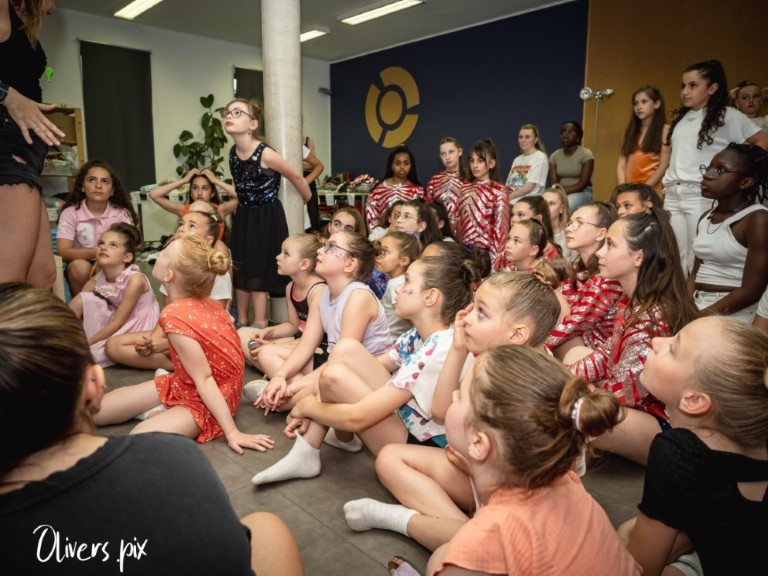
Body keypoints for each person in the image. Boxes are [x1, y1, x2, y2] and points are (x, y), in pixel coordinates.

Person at [0, 282, 305, 576]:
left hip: (199, 392)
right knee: (269, 528)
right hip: (186, 391)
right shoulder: (171, 456)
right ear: (95, 382)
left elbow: (205, 375)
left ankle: (159, 409)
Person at [345, 273, 562, 552]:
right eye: (473, 305)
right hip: (479, 471)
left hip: (515, 492)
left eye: (481, 313)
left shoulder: (529, 385)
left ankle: (466, 537)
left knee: (475, 548)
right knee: (389, 458)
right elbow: (440, 410)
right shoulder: (485, 356)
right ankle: (462, 527)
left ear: (517, 334)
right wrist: (458, 351)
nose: (466, 317)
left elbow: (523, 473)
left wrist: (472, 467)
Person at [251, 252, 478, 487]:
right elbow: (361, 364)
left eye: (408, 282)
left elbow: (358, 417)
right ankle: (311, 445)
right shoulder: (419, 335)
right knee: (345, 350)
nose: (398, 288)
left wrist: (308, 407)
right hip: (406, 421)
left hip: (421, 444)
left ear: (430, 297)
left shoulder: (440, 347)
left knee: (334, 376)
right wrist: (303, 393)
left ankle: (307, 449)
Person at [424, 346, 640, 576]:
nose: (453, 396)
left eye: (459, 395)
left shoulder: (487, 537)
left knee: (439, 560)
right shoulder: (568, 481)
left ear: (478, 443)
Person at [94, 235, 274, 455]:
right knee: (97, 412)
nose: (158, 255)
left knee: (139, 440)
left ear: (168, 275)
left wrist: (232, 432)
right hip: (185, 382)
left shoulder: (175, 314)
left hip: (212, 397)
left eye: (163, 254)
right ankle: (161, 411)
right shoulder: (205, 302)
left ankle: (159, 414)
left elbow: (205, 379)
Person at [619, 317, 768, 576]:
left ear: (694, 400)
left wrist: (622, 537)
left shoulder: (678, 452)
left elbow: (641, 570)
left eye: (673, 348)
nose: (656, 341)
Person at [564, 208, 699, 464]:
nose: (600, 252)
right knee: (573, 360)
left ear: (638, 257)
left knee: (575, 410)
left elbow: (629, 392)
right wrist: (564, 375)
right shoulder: (634, 302)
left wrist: (579, 388)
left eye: (610, 245)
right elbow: (605, 355)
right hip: (635, 405)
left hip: (664, 423)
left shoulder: (651, 317)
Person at [251, 231, 391, 414]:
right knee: (266, 353)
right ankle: (294, 401)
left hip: (362, 375)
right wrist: (279, 377)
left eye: (331, 247)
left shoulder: (358, 297)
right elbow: (306, 346)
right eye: (325, 244)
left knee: (322, 381)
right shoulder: (325, 294)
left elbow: (343, 360)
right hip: (332, 362)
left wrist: (291, 387)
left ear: (349, 264)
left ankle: (284, 402)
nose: (320, 251)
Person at [662, 60, 768, 274]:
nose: (685, 91)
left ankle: (697, 293)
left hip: (700, 193)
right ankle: (680, 294)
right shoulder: (682, 118)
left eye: (693, 85)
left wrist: (739, 173)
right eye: (683, 86)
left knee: (697, 253)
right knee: (674, 255)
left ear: (712, 88)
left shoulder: (728, 115)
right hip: (673, 193)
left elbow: (762, 141)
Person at [222, 98, 312, 329]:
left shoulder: (266, 154)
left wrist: (307, 197)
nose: (229, 116)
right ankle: (242, 320)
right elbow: (241, 187)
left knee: (257, 268)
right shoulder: (233, 152)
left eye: (237, 112)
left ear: (252, 124)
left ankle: (260, 322)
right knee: (241, 267)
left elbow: (295, 176)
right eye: (227, 112)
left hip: (265, 216)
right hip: (244, 215)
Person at [104, 210, 232, 372]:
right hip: (177, 333)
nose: (182, 228)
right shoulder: (171, 266)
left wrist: (166, 344)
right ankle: (179, 366)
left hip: (206, 338)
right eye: (181, 224)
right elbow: (167, 316)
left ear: (208, 240)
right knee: (113, 345)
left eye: (192, 226)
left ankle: (186, 366)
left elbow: (213, 326)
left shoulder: (215, 272)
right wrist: (152, 341)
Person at [0, 0, 61, 289]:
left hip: (26, 156)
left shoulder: (19, 23)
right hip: (7, 149)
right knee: (9, 280)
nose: (53, 8)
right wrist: (7, 96)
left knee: (42, 275)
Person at [689, 142, 768, 322]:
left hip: (733, 312)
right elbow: (694, 275)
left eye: (721, 170)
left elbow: (751, 291)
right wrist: (683, 310)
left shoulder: (758, 219)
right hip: (698, 305)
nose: (707, 175)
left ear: (745, 182)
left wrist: (698, 318)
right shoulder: (706, 217)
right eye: (709, 167)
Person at [68, 223, 159, 367]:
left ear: (127, 257)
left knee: (90, 355)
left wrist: (86, 343)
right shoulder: (99, 278)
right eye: (101, 243)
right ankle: (61, 338)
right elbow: (82, 304)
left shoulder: (135, 280)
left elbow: (118, 322)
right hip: (117, 319)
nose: (104, 248)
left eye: (113, 245)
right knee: (81, 299)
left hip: (137, 324)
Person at [239, 233, 326, 378]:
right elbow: (293, 325)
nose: (278, 257)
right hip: (298, 342)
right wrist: (268, 332)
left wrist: (274, 347)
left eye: (286, 254)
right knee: (242, 335)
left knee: (265, 351)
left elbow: (311, 342)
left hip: (316, 349)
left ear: (304, 264)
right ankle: (277, 372)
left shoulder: (318, 292)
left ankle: (282, 378)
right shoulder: (290, 287)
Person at [546, 201, 622, 359]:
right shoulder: (580, 272)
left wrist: (529, 345)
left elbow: (572, 325)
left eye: (579, 223)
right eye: (570, 223)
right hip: (579, 346)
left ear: (601, 233)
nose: (568, 228)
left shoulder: (608, 277)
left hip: (602, 358)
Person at [56, 159, 138, 297]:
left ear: (112, 190)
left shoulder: (122, 213)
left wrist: (105, 260)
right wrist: (98, 253)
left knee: (117, 267)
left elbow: (130, 247)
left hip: (114, 259)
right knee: (78, 267)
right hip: (84, 260)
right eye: (92, 180)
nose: (98, 186)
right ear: (82, 186)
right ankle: (85, 307)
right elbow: (63, 251)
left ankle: (114, 307)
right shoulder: (70, 213)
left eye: (105, 181)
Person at [455, 138, 510, 269]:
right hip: (463, 252)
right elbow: (457, 221)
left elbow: (501, 229)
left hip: (486, 255)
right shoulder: (464, 188)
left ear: (491, 163)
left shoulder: (499, 190)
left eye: (480, 161)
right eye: (471, 160)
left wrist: (495, 261)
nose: (475, 165)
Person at [617, 86, 671, 193]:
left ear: (657, 104)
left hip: (650, 190)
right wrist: (623, 188)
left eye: (644, 102)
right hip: (628, 189)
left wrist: (643, 190)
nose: (639, 107)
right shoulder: (629, 132)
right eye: (636, 103)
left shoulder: (665, 130)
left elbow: (663, 166)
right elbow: (621, 165)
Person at [375, 231, 421, 343]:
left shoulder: (396, 285)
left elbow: (410, 318)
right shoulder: (400, 281)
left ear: (403, 261)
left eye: (385, 252)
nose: (378, 256)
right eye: (378, 251)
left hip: (390, 342)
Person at [366, 144, 424, 232]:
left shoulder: (418, 191)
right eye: (398, 163)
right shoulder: (377, 191)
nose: (402, 167)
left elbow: (421, 218)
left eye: (406, 163)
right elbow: (371, 221)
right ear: (392, 166)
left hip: (410, 237)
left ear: (411, 166)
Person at [149, 167, 237, 220]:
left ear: (212, 193)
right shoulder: (184, 210)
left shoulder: (220, 211)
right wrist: (184, 180)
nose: (199, 193)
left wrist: (215, 180)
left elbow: (242, 196)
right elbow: (154, 195)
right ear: (191, 193)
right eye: (195, 188)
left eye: (204, 188)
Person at [549, 121, 595, 211]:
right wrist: (558, 193)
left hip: (582, 192)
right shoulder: (554, 156)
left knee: (566, 206)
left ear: (578, 138)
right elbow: (554, 183)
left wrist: (562, 192)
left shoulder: (586, 154)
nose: (565, 135)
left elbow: (583, 184)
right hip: (560, 192)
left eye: (571, 132)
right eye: (563, 132)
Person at [425, 137, 466, 231]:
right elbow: (429, 211)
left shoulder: (470, 179)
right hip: (440, 234)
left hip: (465, 233)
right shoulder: (434, 181)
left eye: (451, 152)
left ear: (460, 152)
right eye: (443, 154)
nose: (447, 157)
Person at [505, 123, 548, 203]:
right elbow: (508, 186)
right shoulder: (517, 160)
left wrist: (506, 198)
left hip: (529, 202)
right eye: (520, 137)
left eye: (527, 137)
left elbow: (528, 188)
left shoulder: (540, 157)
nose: (523, 140)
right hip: (511, 200)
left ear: (535, 140)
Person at [543, 183, 576, 261]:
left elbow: (575, 264)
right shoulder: (535, 231)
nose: (545, 207)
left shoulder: (571, 232)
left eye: (551, 203)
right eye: (543, 203)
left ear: (562, 209)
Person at [303, 135, 324, 232]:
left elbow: (315, 165)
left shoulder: (308, 141)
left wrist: (305, 182)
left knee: (312, 214)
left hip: (307, 181)